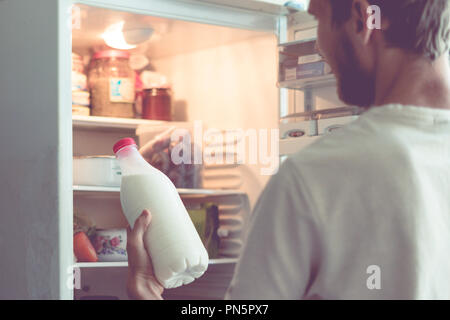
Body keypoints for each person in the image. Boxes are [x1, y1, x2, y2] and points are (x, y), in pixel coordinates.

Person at [127, 0, 450, 299]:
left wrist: (147, 293)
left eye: (319, 17)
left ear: (360, 18)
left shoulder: (317, 175)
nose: (320, 47)